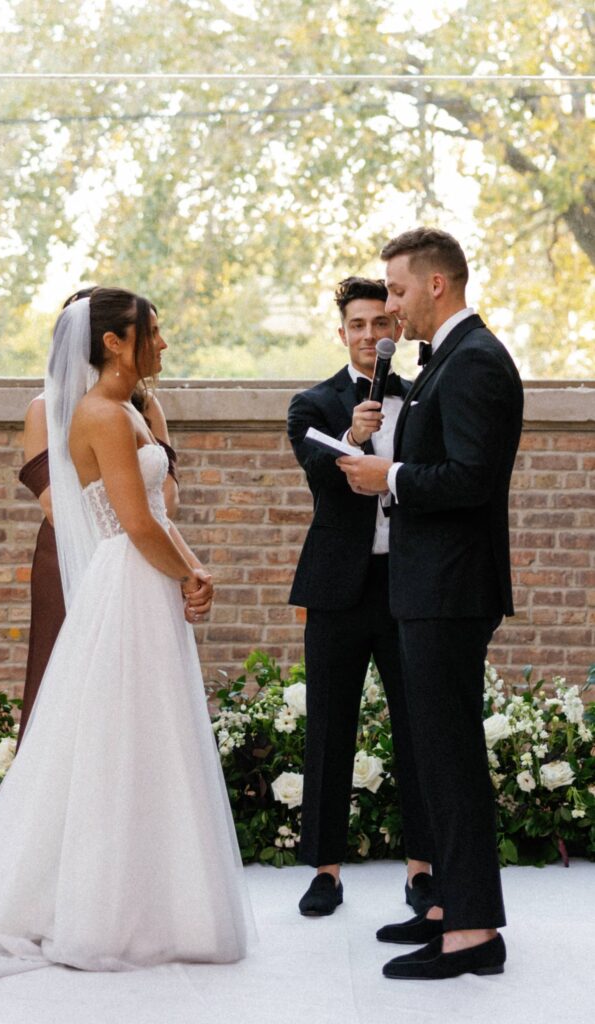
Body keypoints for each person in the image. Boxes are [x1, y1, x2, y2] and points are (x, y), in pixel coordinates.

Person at [0, 288, 253, 987]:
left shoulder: (131, 409)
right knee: (113, 739)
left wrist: (193, 570)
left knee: (154, 737)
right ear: (113, 343)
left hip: (143, 584)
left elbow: (162, 507)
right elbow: (132, 522)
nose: (161, 344)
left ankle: (163, 904)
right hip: (125, 583)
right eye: (150, 333)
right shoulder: (98, 414)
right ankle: (99, 909)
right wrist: (187, 573)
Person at [337, 228, 523, 980]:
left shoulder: (475, 360)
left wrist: (391, 478)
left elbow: (473, 476)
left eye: (399, 291)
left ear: (437, 285)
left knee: (450, 758)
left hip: (450, 590)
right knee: (434, 755)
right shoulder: (446, 358)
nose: (390, 305)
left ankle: (474, 934)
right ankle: (447, 904)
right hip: (428, 586)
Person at [287, 277, 434, 919]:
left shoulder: (427, 397)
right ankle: (325, 870)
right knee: (329, 727)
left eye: (381, 323)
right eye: (357, 325)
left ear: (395, 330)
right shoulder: (311, 404)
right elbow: (322, 480)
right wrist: (350, 435)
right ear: (342, 332)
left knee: (419, 729)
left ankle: (423, 870)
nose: (370, 335)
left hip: (410, 585)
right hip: (337, 590)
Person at [17, 287, 179, 744]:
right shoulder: (44, 411)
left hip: (136, 549)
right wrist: (120, 539)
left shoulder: (143, 406)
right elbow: (56, 505)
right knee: (63, 684)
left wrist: (141, 533)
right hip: (71, 552)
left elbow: (166, 495)